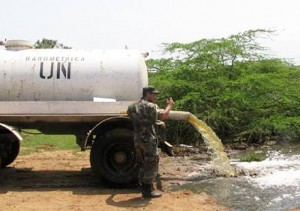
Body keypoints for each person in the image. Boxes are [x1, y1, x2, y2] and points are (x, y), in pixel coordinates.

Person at [127, 86, 174, 198]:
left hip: (137, 139)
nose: (155, 96)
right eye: (154, 94)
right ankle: (147, 191)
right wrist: (170, 105)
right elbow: (163, 116)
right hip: (148, 140)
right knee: (151, 164)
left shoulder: (132, 107)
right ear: (148, 94)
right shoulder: (150, 106)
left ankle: (145, 188)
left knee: (142, 163)